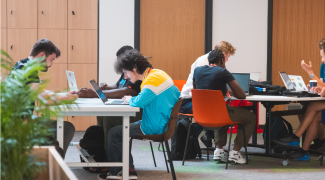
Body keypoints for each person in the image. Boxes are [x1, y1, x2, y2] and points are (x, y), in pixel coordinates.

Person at [97, 49, 180, 180]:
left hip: (153, 125)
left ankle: (116, 172)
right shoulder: (158, 73)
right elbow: (176, 94)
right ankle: (127, 169)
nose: (125, 77)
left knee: (115, 133)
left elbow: (139, 101)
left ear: (135, 68)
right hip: (162, 120)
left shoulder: (150, 81)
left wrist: (130, 99)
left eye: (126, 72)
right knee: (121, 129)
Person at [69, 45, 143, 173]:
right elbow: (119, 85)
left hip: (139, 112)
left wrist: (96, 93)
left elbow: (129, 91)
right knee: (103, 114)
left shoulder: (137, 72)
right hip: (128, 106)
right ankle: (102, 154)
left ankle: (110, 160)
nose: (121, 67)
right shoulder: (126, 72)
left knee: (110, 116)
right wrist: (107, 87)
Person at [8, 39, 76, 157]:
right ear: (42, 55)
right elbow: (46, 100)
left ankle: (46, 160)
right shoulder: (29, 70)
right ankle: (54, 167)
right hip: (20, 123)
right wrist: (70, 98)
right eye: (52, 59)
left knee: (55, 131)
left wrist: (63, 95)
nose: (51, 64)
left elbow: (40, 91)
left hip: (14, 119)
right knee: (67, 128)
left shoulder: (22, 64)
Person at [192, 48, 256, 164]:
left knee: (220, 112)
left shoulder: (197, 71)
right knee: (250, 117)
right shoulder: (222, 72)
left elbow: (197, 90)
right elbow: (242, 95)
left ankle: (219, 150)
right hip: (220, 115)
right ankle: (235, 153)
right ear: (222, 60)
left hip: (203, 115)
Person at [179, 41, 236, 147]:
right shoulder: (203, 62)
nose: (227, 59)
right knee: (218, 110)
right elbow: (202, 89)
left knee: (217, 107)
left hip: (200, 100)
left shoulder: (216, 63)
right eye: (226, 56)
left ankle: (208, 138)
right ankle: (188, 138)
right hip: (188, 101)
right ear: (220, 54)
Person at [298, 38, 325, 151]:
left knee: (313, 106)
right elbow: (323, 85)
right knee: (307, 112)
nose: (322, 59)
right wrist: (318, 88)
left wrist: (310, 73)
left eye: (323, 56)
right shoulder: (323, 66)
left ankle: (295, 137)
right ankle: (305, 150)